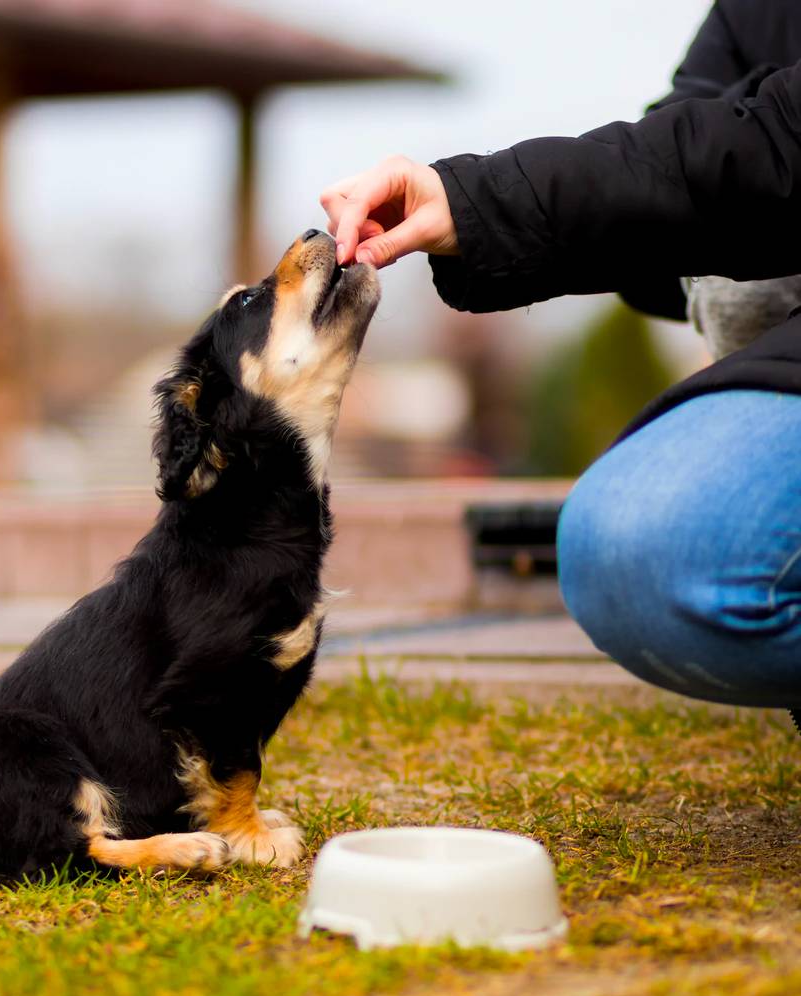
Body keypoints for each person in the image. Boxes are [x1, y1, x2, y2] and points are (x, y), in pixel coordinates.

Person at [320, 0, 801, 716]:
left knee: (680, 547)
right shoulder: (749, 14)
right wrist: (470, 205)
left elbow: (748, 150)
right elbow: (684, 160)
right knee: (629, 548)